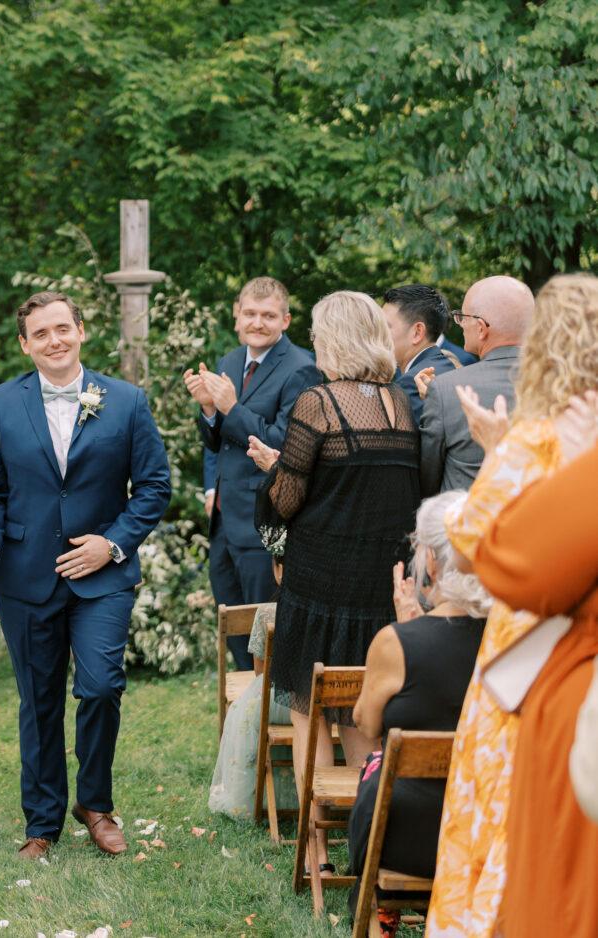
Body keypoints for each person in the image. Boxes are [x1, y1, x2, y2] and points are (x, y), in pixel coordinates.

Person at [0, 291, 171, 859]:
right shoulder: (1, 405)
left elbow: (154, 486)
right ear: (24, 344)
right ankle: (42, 822)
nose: (53, 340)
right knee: (38, 700)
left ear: (81, 331)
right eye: (41, 333)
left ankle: (97, 805)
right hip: (25, 573)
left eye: (63, 328)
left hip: (102, 576)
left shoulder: (126, 401)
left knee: (102, 685)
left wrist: (113, 543)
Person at [426, 273, 598, 937]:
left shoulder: (538, 438)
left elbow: (474, 550)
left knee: (511, 812)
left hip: (539, 656)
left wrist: (499, 456)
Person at [249, 290, 419, 876]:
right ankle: (368, 838)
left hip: (320, 580)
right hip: (379, 583)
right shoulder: (401, 404)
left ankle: (316, 853)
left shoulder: (318, 402)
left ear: (333, 340)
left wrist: (273, 475)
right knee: (360, 714)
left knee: (308, 709)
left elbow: (290, 497)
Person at [347, 491, 490, 934]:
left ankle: (379, 909)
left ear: (431, 563)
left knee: (374, 768)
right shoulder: (508, 642)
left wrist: (407, 634)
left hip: (404, 838)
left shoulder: (395, 643)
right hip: (481, 833)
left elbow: (366, 725)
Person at [184, 277, 321, 670]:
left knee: (265, 632)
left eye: (268, 315)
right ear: (236, 315)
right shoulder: (229, 361)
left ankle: (266, 716)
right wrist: (209, 410)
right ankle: (246, 711)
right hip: (226, 521)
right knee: (233, 626)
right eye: (250, 313)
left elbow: (282, 445)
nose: (258, 322)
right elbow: (218, 443)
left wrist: (230, 408)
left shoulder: (302, 368)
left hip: (267, 518)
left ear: (286, 320)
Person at [418, 275, 532, 495]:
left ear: (481, 328)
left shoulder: (445, 389)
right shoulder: (565, 386)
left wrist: (439, 400)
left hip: (468, 521)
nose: (460, 324)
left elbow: (427, 481)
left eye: (462, 317)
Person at [208, 525, 291, 819]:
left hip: (279, 705)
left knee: (244, 712)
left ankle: (251, 796)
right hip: (322, 706)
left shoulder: (267, 615)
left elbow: (261, 676)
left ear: (278, 570)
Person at [380, 284, 456, 425]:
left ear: (417, 332)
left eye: (385, 327)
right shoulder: (447, 366)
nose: (379, 334)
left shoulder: (411, 383)